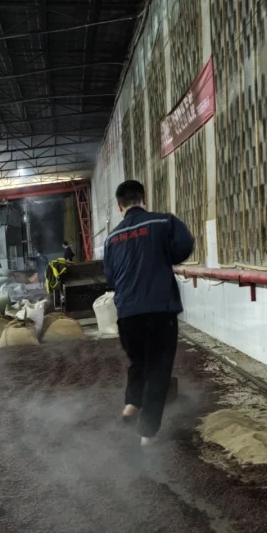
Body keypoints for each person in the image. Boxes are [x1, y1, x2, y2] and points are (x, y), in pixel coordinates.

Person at [103, 179, 194, 446]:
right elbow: (184, 248)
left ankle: (131, 404)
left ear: (120, 207)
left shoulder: (111, 238)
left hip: (127, 314)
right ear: (144, 199)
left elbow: (110, 277)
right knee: (158, 370)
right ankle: (147, 434)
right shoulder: (164, 222)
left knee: (138, 362)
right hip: (159, 310)